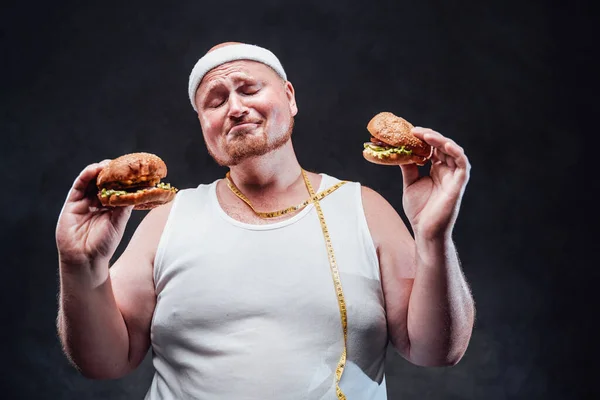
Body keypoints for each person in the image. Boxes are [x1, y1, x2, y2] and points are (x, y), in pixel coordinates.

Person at [55, 42, 475, 400]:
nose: (235, 108)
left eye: (249, 89)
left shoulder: (364, 209)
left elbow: (436, 351)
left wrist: (434, 238)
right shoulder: (168, 219)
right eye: (215, 102)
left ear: (289, 97)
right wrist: (80, 265)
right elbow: (105, 362)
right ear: (205, 125)